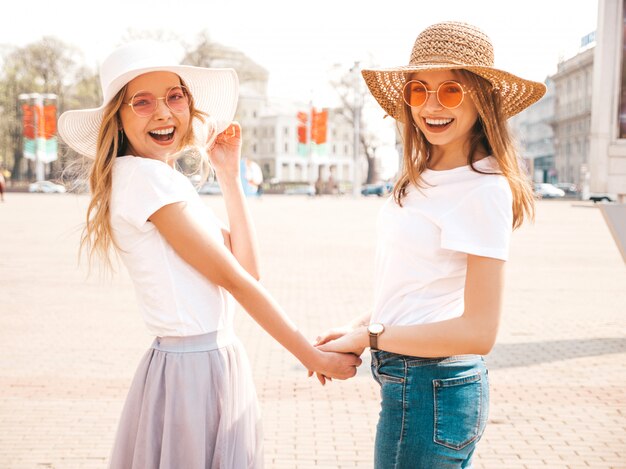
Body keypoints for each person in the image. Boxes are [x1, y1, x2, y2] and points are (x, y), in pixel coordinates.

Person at [58, 41, 361, 469]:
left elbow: (247, 270)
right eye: (141, 103)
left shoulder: (158, 178)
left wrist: (228, 176)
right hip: (192, 369)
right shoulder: (147, 181)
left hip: (201, 360)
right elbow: (238, 281)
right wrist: (310, 356)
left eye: (174, 96)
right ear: (119, 120)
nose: (163, 112)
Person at [314, 21, 546, 468]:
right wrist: (358, 330)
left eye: (451, 91)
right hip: (413, 383)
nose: (431, 105)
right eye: (419, 90)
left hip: (435, 387)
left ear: (483, 97)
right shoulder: (421, 178)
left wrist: (371, 335)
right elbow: (420, 285)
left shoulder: (482, 188)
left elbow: (480, 333)